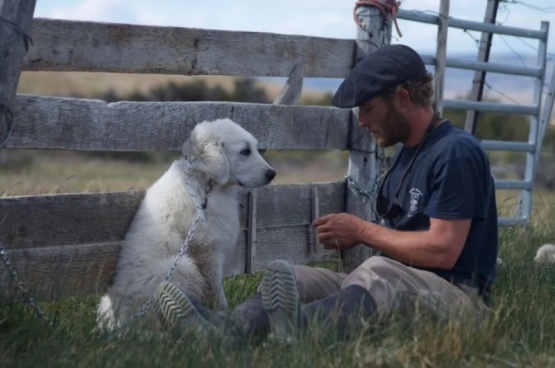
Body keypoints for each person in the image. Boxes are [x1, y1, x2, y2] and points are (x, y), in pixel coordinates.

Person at [152, 44, 499, 343]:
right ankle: (227, 330)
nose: (361, 121)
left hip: (458, 301)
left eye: (368, 108)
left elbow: (444, 250)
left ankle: (297, 331)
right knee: (296, 276)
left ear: (403, 99)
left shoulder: (455, 153)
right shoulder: (411, 151)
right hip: (402, 284)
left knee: (378, 269)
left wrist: (362, 230)